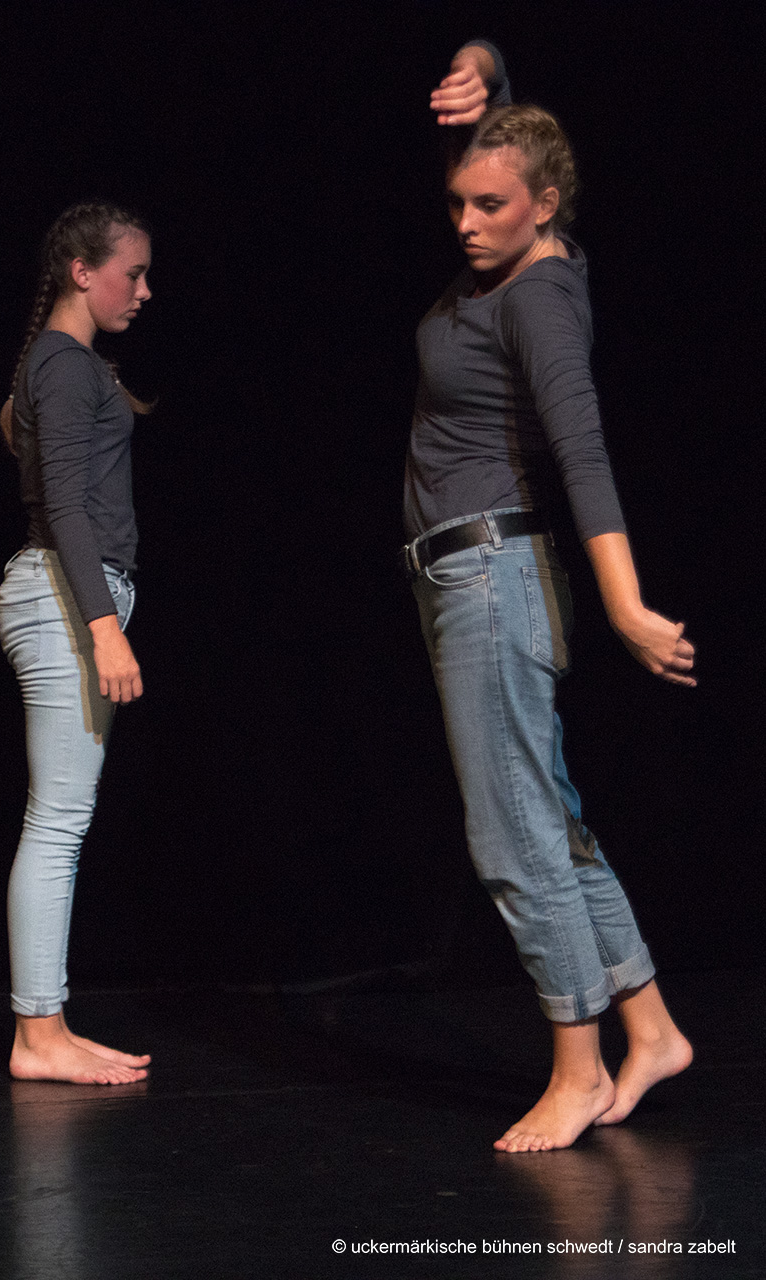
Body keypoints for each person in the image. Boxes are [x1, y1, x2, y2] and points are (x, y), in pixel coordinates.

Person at [403, 43, 695, 1151]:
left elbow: (583, 454)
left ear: (546, 206)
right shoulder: (510, 254)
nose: (465, 222)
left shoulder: (539, 299)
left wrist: (624, 606)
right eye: (457, 203)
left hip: (492, 578)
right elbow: (503, 137)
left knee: (511, 834)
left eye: (489, 206)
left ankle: (577, 1065)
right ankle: (650, 1028)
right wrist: (483, 62)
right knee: (549, 820)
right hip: (471, 575)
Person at [0, 204, 153, 1084]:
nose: (144, 290)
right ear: (81, 273)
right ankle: (37, 1034)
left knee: (62, 817)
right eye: (133, 272)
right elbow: (63, 502)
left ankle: (45, 1025)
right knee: (56, 820)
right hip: (65, 599)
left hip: (65, 595)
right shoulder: (61, 361)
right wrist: (103, 631)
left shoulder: (62, 364)